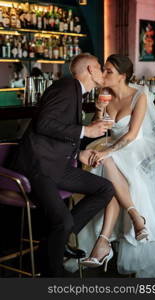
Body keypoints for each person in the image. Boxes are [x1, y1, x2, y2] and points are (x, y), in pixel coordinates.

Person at [71, 54, 155, 278]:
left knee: (107, 166)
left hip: (134, 147)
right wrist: (100, 111)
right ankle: (134, 219)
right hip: (111, 146)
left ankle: (104, 241)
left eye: (108, 71)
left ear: (123, 76)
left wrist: (106, 152)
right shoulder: (104, 94)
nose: (103, 75)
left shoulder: (140, 96)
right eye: (103, 70)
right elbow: (101, 129)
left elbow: (132, 135)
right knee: (107, 170)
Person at [10, 53, 115, 277]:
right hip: (38, 165)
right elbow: (44, 124)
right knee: (62, 220)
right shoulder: (67, 86)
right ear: (89, 70)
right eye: (99, 67)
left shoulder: (77, 92)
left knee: (105, 188)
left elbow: (57, 130)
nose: (102, 71)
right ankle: (53, 277)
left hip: (56, 165)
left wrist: (80, 152)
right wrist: (86, 131)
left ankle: (59, 238)